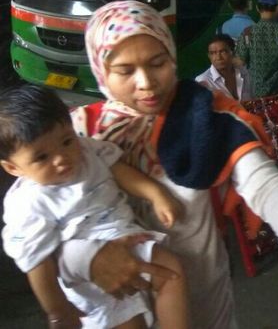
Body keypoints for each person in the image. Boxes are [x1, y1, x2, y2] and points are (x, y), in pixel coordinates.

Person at [58, 0, 278, 328]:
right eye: (125, 71)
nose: (146, 82)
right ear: (101, 70)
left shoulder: (204, 116)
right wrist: (85, 258)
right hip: (112, 313)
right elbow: (34, 226)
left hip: (204, 306)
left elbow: (262, 181)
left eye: (157, 63)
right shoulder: (75, 136)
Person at [1, 85, 188, 329]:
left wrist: (155, 193)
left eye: (66, 141)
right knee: (130, 322)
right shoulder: (28, 203)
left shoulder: (87, 150)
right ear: (13, 168)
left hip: (126, 238)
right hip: (89, 277)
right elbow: (36, 262)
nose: (61, 158)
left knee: (171, 273)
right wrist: (57, 310)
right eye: (41, 157)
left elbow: (118, 170)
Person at [235, 0, 278, 98]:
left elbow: (240, 61)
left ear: (257, 8)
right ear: (277, 8)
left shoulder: (248, 32)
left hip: (255, 91)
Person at [195, 33, 254, 101]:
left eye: (223, 51)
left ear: (232, 52)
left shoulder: (245, 72)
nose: (218, 57)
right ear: (209, 56)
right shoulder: (203, 81)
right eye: (213, 53)